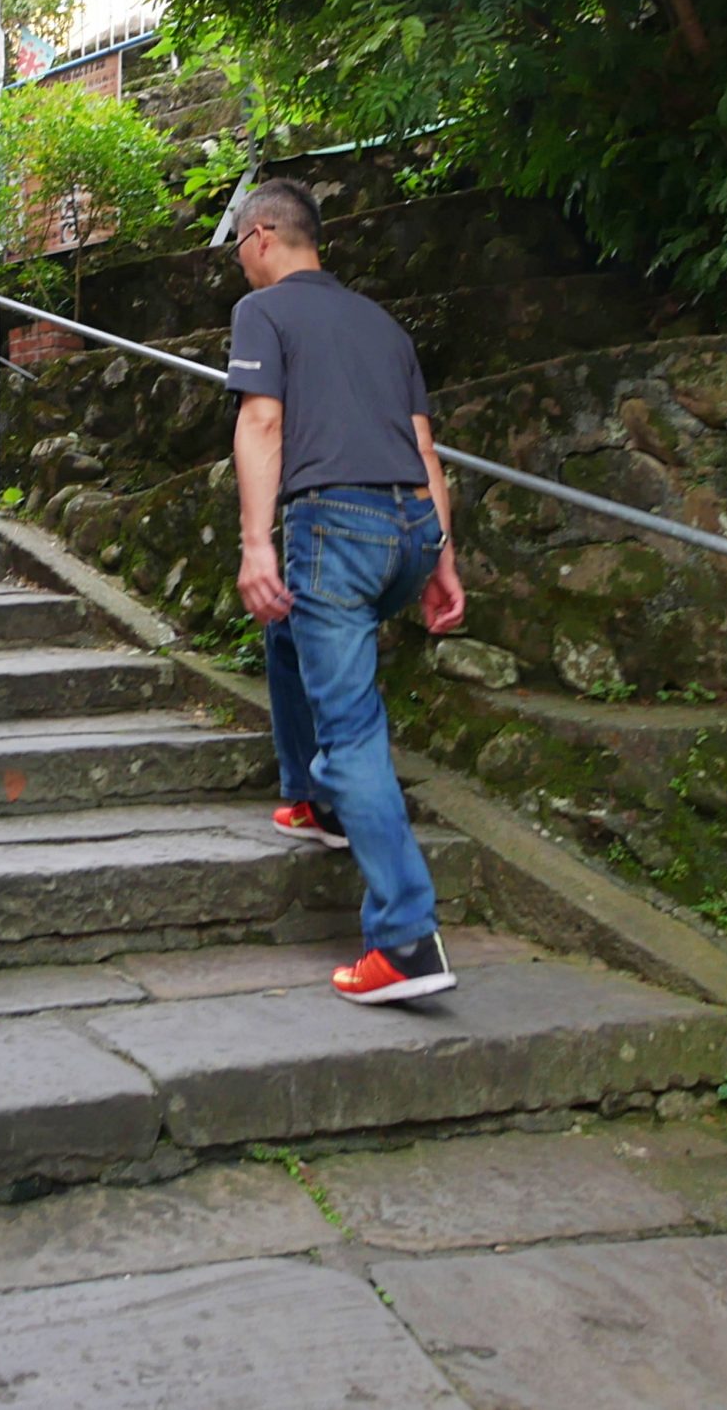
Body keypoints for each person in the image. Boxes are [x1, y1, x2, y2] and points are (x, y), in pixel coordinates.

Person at [226, 177, 468, 1005]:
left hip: (335, 522)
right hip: (406, 527)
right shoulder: (382, 323)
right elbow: (426, 449)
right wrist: (441, 558)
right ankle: (314, 799)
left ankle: (404, 938)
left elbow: (262, 423)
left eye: (237, 244)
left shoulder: (265, 312)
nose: (239, 260)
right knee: (286, 630)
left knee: (354, 726)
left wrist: (257, 542)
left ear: (262, 236)